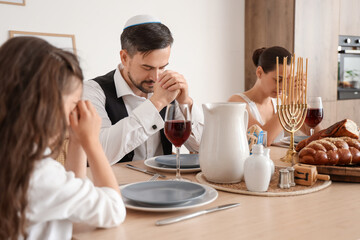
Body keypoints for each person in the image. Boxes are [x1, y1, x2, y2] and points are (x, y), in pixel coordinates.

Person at [0, 37, 126, 240]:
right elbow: (113, 210)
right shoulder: (37, 175)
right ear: (47, 107)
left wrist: (77, 142)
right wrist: (92, 142)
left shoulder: (17, 159)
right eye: (73, 103)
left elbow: (73, 200)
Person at [83, 15, 203, 164]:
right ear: (124, 58)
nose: (155, 77)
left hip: (165, 183)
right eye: (147, 67)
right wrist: (156, 103)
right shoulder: (93, 91)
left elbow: (202, 147)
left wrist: (186, 103)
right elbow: (98, 153)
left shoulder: (169, 88)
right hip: (117, 184)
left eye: (163, 67)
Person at [228, 46, 320, 145]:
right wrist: (291, 101)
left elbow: (315, 133)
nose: (282, 87)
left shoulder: (283, 100)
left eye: (287, 80)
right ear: (259, 72)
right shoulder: (237, 102)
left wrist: (301, 100)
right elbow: (262, 141)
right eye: (278, 80)